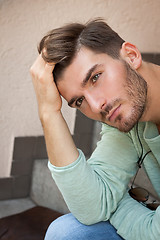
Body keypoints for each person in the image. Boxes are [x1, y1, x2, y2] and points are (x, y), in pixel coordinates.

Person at [30, 19, 160, 240]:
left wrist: (116, 205)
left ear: (131, 55)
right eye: (79, 101)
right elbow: (91, 207)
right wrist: (49, 112)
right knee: (66, 234)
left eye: (95, 77)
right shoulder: (126, 118)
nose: (96, 104)